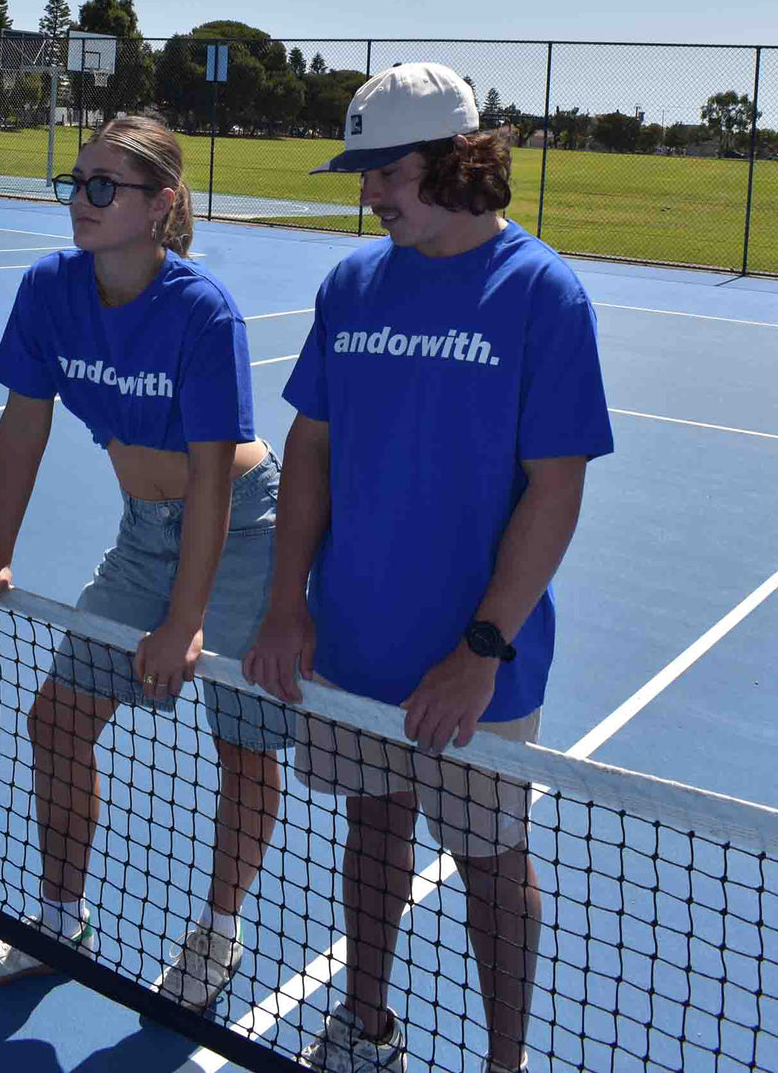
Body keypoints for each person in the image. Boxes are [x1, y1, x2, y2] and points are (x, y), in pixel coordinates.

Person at [244, 63, 613, 1073]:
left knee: (490, 863)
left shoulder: (541, 293)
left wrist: (480, 651)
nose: (369, 193)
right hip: (353, 643)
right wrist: (286, 604)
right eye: (362, 173)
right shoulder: (351, 285)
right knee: (373, 829)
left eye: (386, 172)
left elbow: (555, 490)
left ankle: (503, 1066)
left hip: (475, 668)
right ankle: (364, 1027)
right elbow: (309, 449)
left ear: (456, 162)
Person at [0, 115, 289, 1011]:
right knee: (57, 721)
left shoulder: (202, 311)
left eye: (104, 185)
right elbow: (24, 424)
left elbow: (211, 477)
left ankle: (218, 933)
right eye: (76, 182)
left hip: (243, 528)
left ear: (161, 203)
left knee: (244, 746)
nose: (81, 200)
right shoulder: (49, 290)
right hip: (144, 531)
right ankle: (60, 924)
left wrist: (185, 621)